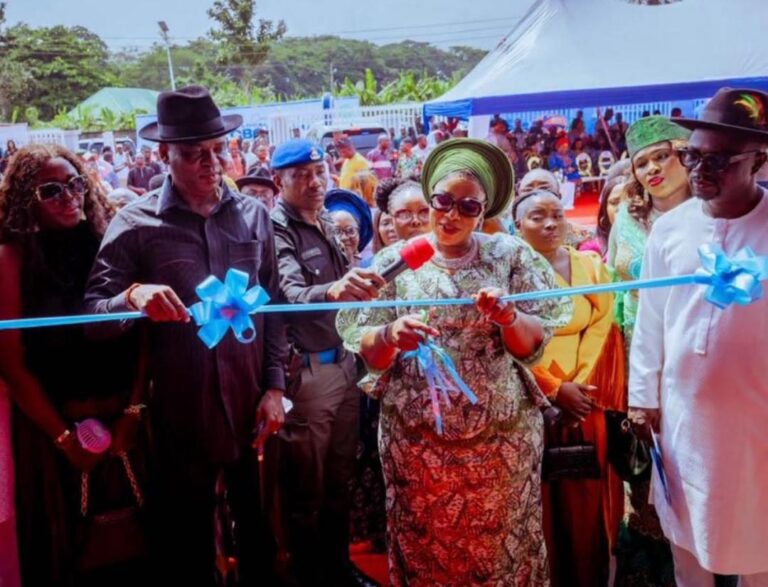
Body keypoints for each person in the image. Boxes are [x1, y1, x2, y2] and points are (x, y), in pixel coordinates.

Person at [337, 138, 572, 586]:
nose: (451, 216)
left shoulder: (511, 255)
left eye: (467, 207)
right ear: (428, 199)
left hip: (502, 445)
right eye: (442, 202)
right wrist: (391, 335)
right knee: (426, 548)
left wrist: (509, 317)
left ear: (483, 212)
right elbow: (366, 347)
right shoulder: (392, 263)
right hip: (418, 446)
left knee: (502, 553)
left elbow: (533, 343)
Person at [84, 86, 287, 586]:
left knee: (259, 543)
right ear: (162, 154)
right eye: (194, 153)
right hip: (179, 419)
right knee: (186, 552)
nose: (210, 163)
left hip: (250, 411)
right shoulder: (135, 223)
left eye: (218, 150)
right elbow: (92, 315)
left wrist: (276, 388)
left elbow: (274, 307)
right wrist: (132, 297)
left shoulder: (253, 216)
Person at [629, 88, 768, 587]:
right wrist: (642, 398)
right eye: (693, 156)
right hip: (685, 421)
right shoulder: (670, 229)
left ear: (759, 160)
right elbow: (651, 320)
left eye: (718, 159)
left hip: (757, 428)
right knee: (687, 549)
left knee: (760, 547)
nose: (699, 169)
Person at [0, 144, 143, 586]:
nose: (69, 196)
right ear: (27, 201)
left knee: (135, 550)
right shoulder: (12, 259)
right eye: (51, 190)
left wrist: (132, 416)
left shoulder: (108, 244)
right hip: (50, 434)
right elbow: (13, 365)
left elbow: (142, 340)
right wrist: (64, 439)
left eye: (75, 183)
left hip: (125, 421)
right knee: (66, 554)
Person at [269, 138, 386, 587]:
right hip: (311, 375)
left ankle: (338, 569)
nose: (314, 182)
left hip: (344, 365)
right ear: (279, 180)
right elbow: (290, 297)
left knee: (339, 479)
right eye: (301, 175)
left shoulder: (324, 221)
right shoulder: (277, 229)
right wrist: (333, 290)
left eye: (319, 172)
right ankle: (309, 574)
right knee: (307, 489)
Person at [514, 188, 625, 587]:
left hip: (585, 394)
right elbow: (508, 338)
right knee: (540, 499)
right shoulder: (509, 274)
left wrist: (578, 385)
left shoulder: (590, 266)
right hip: (531, 396)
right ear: (517, 226)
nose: (549, 224)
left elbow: (602, 323)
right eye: (537, 217)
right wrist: (554, 387)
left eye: (557, 215)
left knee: (585, 498)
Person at [607, 115, 691, 587]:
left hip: (696, 361)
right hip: (639, 360)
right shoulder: (628, 218)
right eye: (642, 163)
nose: (653, 169)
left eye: (662, 155)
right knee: (646, 478)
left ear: (685, 154)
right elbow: (617, 290)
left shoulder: (713, 211)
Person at [518, 169, 593, 248]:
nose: (536, 194)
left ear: (559, 196)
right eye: (527, 190)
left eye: (544, 188)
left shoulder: (583, 237)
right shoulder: (509, 239)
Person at [325, 188, 374, 268]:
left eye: (350, 231)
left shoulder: (371, 266)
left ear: (359, 233)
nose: (344, 237)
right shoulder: (319, 269)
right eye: (336, 231)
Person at [374, 176, 430, 242]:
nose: (416, 221)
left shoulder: (444, 251)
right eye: (404, 215)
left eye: (424, 213)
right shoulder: (390, 252)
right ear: (392, 220)